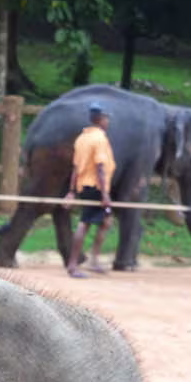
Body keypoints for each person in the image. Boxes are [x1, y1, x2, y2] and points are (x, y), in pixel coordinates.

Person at [64, 101, 115, 279]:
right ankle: (73, 264)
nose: (108, 121)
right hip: (96, 188)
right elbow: (100, 167)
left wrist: (71, 191)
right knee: (85, 223)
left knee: (106, 221)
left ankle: (93, 259)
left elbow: (76, 168)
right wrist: (105, 194)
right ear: (100, 119)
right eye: (107, 118)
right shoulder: (99, 139)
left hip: (85, 186)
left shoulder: (82, 138)